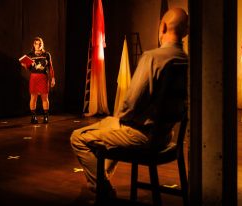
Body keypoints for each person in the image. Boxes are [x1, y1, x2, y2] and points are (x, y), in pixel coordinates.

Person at [70, 8, 188, 198]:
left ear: (163, 27)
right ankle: (104, 176)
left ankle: (103, 188)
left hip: (143, 137)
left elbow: (130, 105)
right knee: (110, 122)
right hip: (166, 136)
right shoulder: (186, 60)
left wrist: (122, 118)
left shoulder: (153, 58)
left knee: (78, 137)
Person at [21, 36, 55, 124]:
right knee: (33, 98)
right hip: (34, 77)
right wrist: (25, 66)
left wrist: (53, 78)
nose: (38, 45)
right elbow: (28, 68)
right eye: (36, 44)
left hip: (43, 77)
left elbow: (50, 67)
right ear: (34, 44)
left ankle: (46, 117)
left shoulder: (46, 54)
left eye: (40, 44)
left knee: (45, 98)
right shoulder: (30, 55)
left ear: (42, 44)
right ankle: (33, 117)